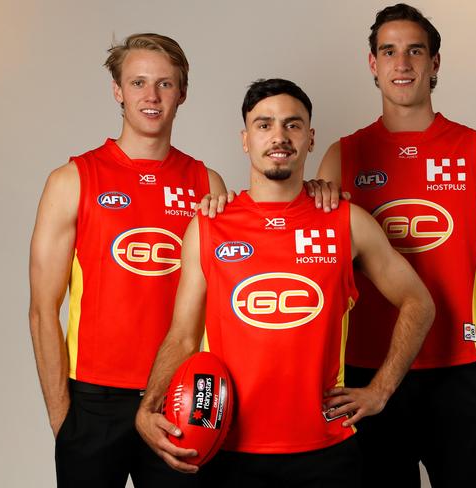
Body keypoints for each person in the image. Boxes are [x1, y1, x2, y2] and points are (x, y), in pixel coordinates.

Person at [135, 78, 435, 487]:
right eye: (264, 125)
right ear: (245, 140)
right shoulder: (208, 227)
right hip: (229, 451)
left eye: (293, 125)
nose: (279, 136)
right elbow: (183, 335)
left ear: (311, 139)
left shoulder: (346, 223)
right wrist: (148, 406)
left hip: (326, 451)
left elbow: (419, 302)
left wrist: (380, 390)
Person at [317, 4, 476, 487]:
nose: (401, 63)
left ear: (435, 64)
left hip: (462, 374)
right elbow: (317, 273)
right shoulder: (342, 156)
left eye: (414, 51)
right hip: (367, 374)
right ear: (373, 64)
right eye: (388, 51)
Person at [28, 33, 228, 487]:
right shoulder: (73, 180)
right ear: (117, 91)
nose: (151, 96)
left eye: (164, 84)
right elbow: (43, 308)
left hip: (178, 397)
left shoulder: (207, 185)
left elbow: (234, 288)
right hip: (93, 403)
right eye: (138, 83)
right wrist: (64, 421)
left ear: (183, 92)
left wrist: (317, 192)